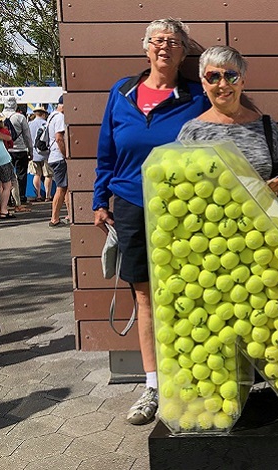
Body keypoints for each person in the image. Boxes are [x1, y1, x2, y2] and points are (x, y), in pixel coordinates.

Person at [92, 18, 208, 425]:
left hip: (180, 209)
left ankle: (190, 376)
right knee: (144, 296)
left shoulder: (195, 97)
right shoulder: (121, 92)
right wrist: (98, 199)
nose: (164, 47)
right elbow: (106, 148)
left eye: (173, 42)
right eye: (157, 41)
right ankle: (154, 386)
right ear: (146, 48)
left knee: (186, 293)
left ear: (183, 52)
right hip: (128, 203)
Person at [178, 46, 278, 195]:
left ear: (242, 82)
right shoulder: (192, 131)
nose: (223, 84)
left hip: (262, 217)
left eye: (231, 76)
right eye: (213, 77)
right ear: (204, 84)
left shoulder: (266, 126)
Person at [2, 98, 34, 210]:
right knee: (21, 175)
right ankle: (20, 198)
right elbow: (27, 136)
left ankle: (8, 198)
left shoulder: (1, 116)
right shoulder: (20, 117)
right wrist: (31, 151)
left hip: (5, 150)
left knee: (6, 176)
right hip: (20, 149)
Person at [47, 97, 69, 227]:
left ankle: (69, 214)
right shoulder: (60, 117)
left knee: (65, 187)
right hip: (59, 157)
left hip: (53, 156)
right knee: (61, 188)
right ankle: (54, 218)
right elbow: (59, 138)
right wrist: (66, 154)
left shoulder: (51, 116)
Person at [28, 107, 54, 202]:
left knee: (37, 174)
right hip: (46, 153)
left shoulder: (29, 124)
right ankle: (48, 195)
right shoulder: (47, 124)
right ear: (44, 114)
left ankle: (38, 195)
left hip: (34, 153)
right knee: (48, 175)